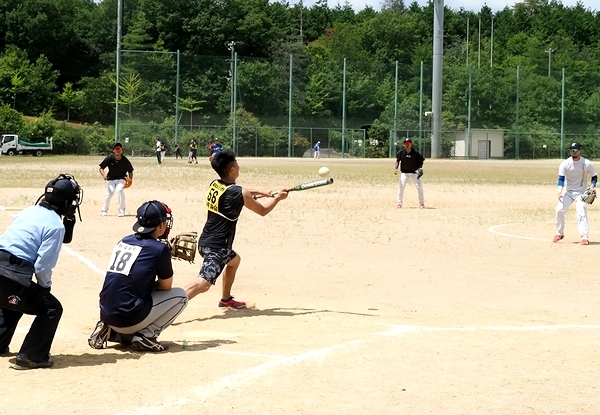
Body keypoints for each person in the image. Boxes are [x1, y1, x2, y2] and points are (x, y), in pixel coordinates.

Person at [184, 149, 288, 308]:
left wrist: (262, 192)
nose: (238, 166)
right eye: (236, 164)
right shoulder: (239, 193)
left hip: (206, 241)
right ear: (232, 169)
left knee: (234, 261)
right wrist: (277, 199)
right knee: (203, 284)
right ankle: (169, 304)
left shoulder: (215, 184)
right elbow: (263, 211)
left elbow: (241, 192)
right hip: (217, 247)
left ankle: (225, 299)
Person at [0, 174, 83, 369]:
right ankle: (32, 356)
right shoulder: (55, 225)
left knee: (16, 298)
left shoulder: (28, 211)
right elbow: (43, 266)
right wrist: (45, 287)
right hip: (14, 274)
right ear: (66, 202)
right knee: (51, 308)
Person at [89, 200, 188, 352]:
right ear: (160, 225)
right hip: (128, 318)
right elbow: (165, 286)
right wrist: (165, 255)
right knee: (181, 296)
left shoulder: (124, 241)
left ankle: (108, 328)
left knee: (123, 291)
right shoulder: (160, 249)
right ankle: (147, 336)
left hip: (106, 312)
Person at [553, 141, 597, 245]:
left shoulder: (586, 163)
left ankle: (584, 237)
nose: (573, 152)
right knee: (559, 209)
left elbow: (594, 176)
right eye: (571, 150)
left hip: (581, 192)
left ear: (580, 151)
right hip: (568, 192)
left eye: (575, 150)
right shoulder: (565, 163)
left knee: (581, 212)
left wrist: (592, 187)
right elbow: (561, 179)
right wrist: (559, 192)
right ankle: (559, 233)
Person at [99, 142, 134, 217]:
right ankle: (104, 210)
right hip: (111, 179)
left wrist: (130, 180)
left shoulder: (124, 159)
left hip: (121, 178)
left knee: (119, 190)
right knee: (110, 192)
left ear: (122, 150)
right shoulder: (110, 158)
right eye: (116, 149)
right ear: (113, 150)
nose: (118, 151)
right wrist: (104, 175)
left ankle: (121, 210)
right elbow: (101, 168)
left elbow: (130, 171)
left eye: (119, 149)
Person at [394, 137, 425, 209]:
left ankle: (421, 203)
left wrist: (420, 168)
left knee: (419, 187)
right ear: (404, 144)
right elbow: (397, 161)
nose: (407, 145)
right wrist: (396, 168)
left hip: (415, 172)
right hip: (405, 172)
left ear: (411, 144)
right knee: (401, 187)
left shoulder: (415, 152)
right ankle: (399, 203)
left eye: (408, 143)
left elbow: (421, 160)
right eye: (405, 143)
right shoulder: (401, 153)